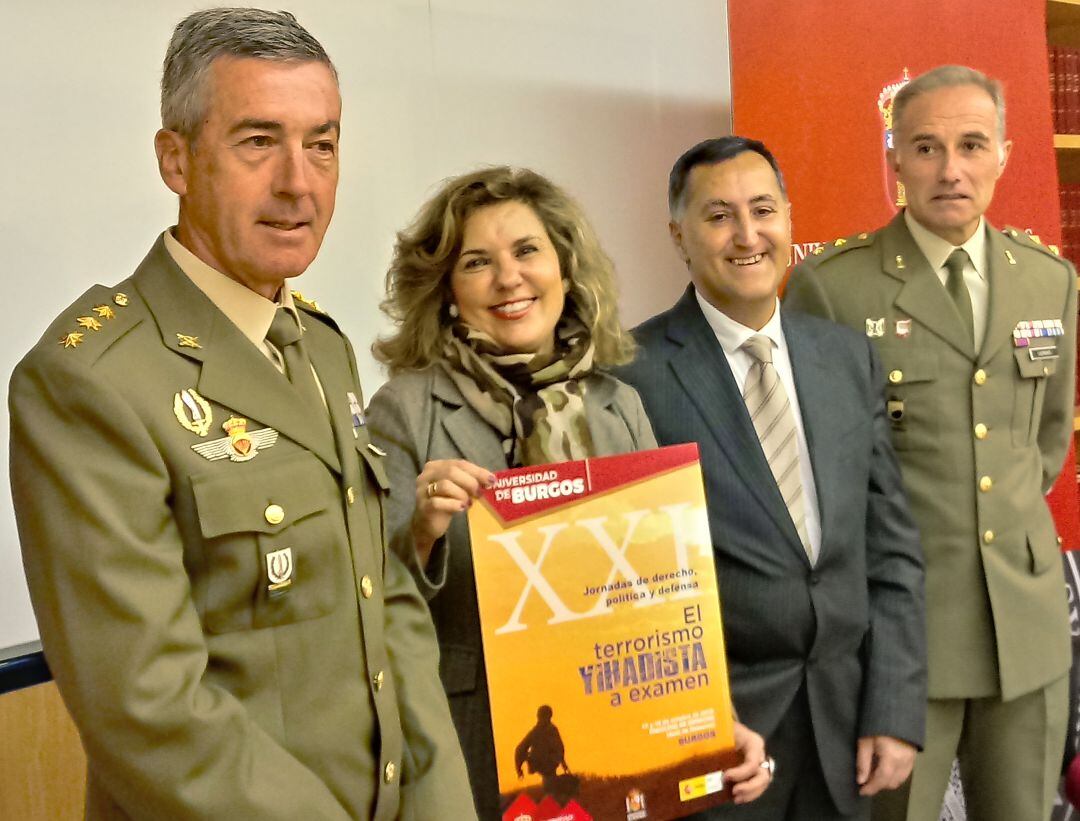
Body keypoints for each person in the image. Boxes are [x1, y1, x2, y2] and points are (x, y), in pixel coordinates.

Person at [8, 9, 474, 820]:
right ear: (176, 159)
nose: (299, 182)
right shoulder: (89, 382)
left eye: (321, 144)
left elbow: (386, 600)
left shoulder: (320, 346)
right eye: (259, 142)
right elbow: (151, 710)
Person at [366, 166, 772, 819]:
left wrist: (715, 722)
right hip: (472, 756)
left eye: (527, 251)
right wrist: (422, 528)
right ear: (445, 290)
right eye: (477, 262)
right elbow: (368, 605)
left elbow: (663, 601)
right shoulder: (405, 412)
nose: (509, 278)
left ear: (565, 269)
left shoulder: (619, 406)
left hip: (622, 759)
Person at [784, 65, 1077, 821]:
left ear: (1005, 154)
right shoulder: (834, 287)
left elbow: (1045, 441)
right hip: (902, 638)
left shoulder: (1050, 281)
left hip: (1025, 625)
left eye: (972, 144)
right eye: (926, 148)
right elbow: (817, 470)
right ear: (894, 162)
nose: (951, 169)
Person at [617, 136, 926, 820]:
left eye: (763, 209)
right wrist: (694, 719)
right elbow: (627, 593)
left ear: (789, 217)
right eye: (719, 215)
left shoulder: (847, 358)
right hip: (720, 745)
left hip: (851, 732)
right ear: (680, 235)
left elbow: (893, 549)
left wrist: (896, 706)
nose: (747, 234)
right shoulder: (630, 376)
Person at [514, 705, 571, 796]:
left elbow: (558, 748)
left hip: (548, 765)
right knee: (550, 790)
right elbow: (520, 750)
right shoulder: (538, 731)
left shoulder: (549, 730)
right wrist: (519, 768)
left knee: (551, 789)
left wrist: (563, 763)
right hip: (544, 765)